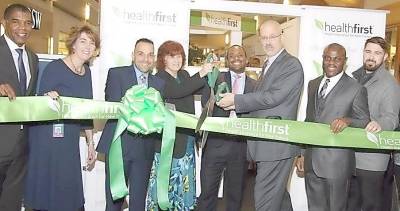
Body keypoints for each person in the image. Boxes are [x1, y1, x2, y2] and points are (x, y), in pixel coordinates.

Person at [217, 20, 304, 211]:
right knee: (279, 199)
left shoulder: (291, 65)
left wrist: (237, 100)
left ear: (281, 35)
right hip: (268, 145)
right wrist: (235, 116)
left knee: (264, 201)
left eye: (272, 37)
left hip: (276, 145)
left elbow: (272, 98)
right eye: (264, 37)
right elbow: (261, 105)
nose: (268, 42)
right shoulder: (269, 64)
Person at [24, 25, 99, 211]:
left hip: (70, 136)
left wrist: (91, 143)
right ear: (73, 44)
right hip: (47, 136)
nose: (87, 46)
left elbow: (87, 110)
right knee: (49, 186)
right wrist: (47, 97)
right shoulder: (55, 67)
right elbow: (39, 104)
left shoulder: (87, 72)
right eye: (83, 41)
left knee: (67, 187)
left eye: (92, 43)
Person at [296, 43, 370, 211]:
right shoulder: (313, 84)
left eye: (337, 59)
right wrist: (302, 153)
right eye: (327, 58)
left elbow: (365, 120)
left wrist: (348, 121)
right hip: (311, 162)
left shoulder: (356, 88)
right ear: (323, 59)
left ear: (345, 61)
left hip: (337, 165)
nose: (331, 62)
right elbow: (309, 120)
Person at [96, 38, 165, 211]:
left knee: (138, 203)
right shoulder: (116, 74)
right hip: (119, 147)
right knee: (114, 201)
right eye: (141, 54)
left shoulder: (159, 84)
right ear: (133, 55)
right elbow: (112, 106)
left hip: (145, 149)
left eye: (150, 55)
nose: (145, 59)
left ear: (154, 58)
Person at [145, 40, 209, 210]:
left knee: (185, 182)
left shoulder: (185, 76)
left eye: (179, 55)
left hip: (186, 139)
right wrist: (202, 73)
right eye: (171, 56)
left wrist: (212, 76)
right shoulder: (158, 78)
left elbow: (201, 89)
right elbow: (177, 92)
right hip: (167, 142)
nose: (176, 60)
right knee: (165, 185)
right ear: (163, 59)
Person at [197, 45, 256, 211]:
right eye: (232, 56)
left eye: (240, 55)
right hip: (215, 144)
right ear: (227, 60)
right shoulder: (215, 78)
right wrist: (215, 101)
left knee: (235, 195)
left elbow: (257, 112)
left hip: (240, 147)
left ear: (246, 59)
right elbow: (204, 103)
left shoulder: (256, 85)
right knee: (207, 193)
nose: (236, 58)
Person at [347, 37, 400, 211]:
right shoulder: (354, 77)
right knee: (351, 204)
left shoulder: (389, 84)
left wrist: (380, 124)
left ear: (385, 57)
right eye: (368, 52)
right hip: (350, 155)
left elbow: (392, 117)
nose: (371, 56)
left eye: (377, 53)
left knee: (370, 206)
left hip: (372, 159)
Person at [0, 4, 38, 211]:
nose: (23, 27)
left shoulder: (32, 58)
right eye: (16, 21)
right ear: (5, 23)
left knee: (11, 203)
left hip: (21, 147)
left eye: (28, 22)